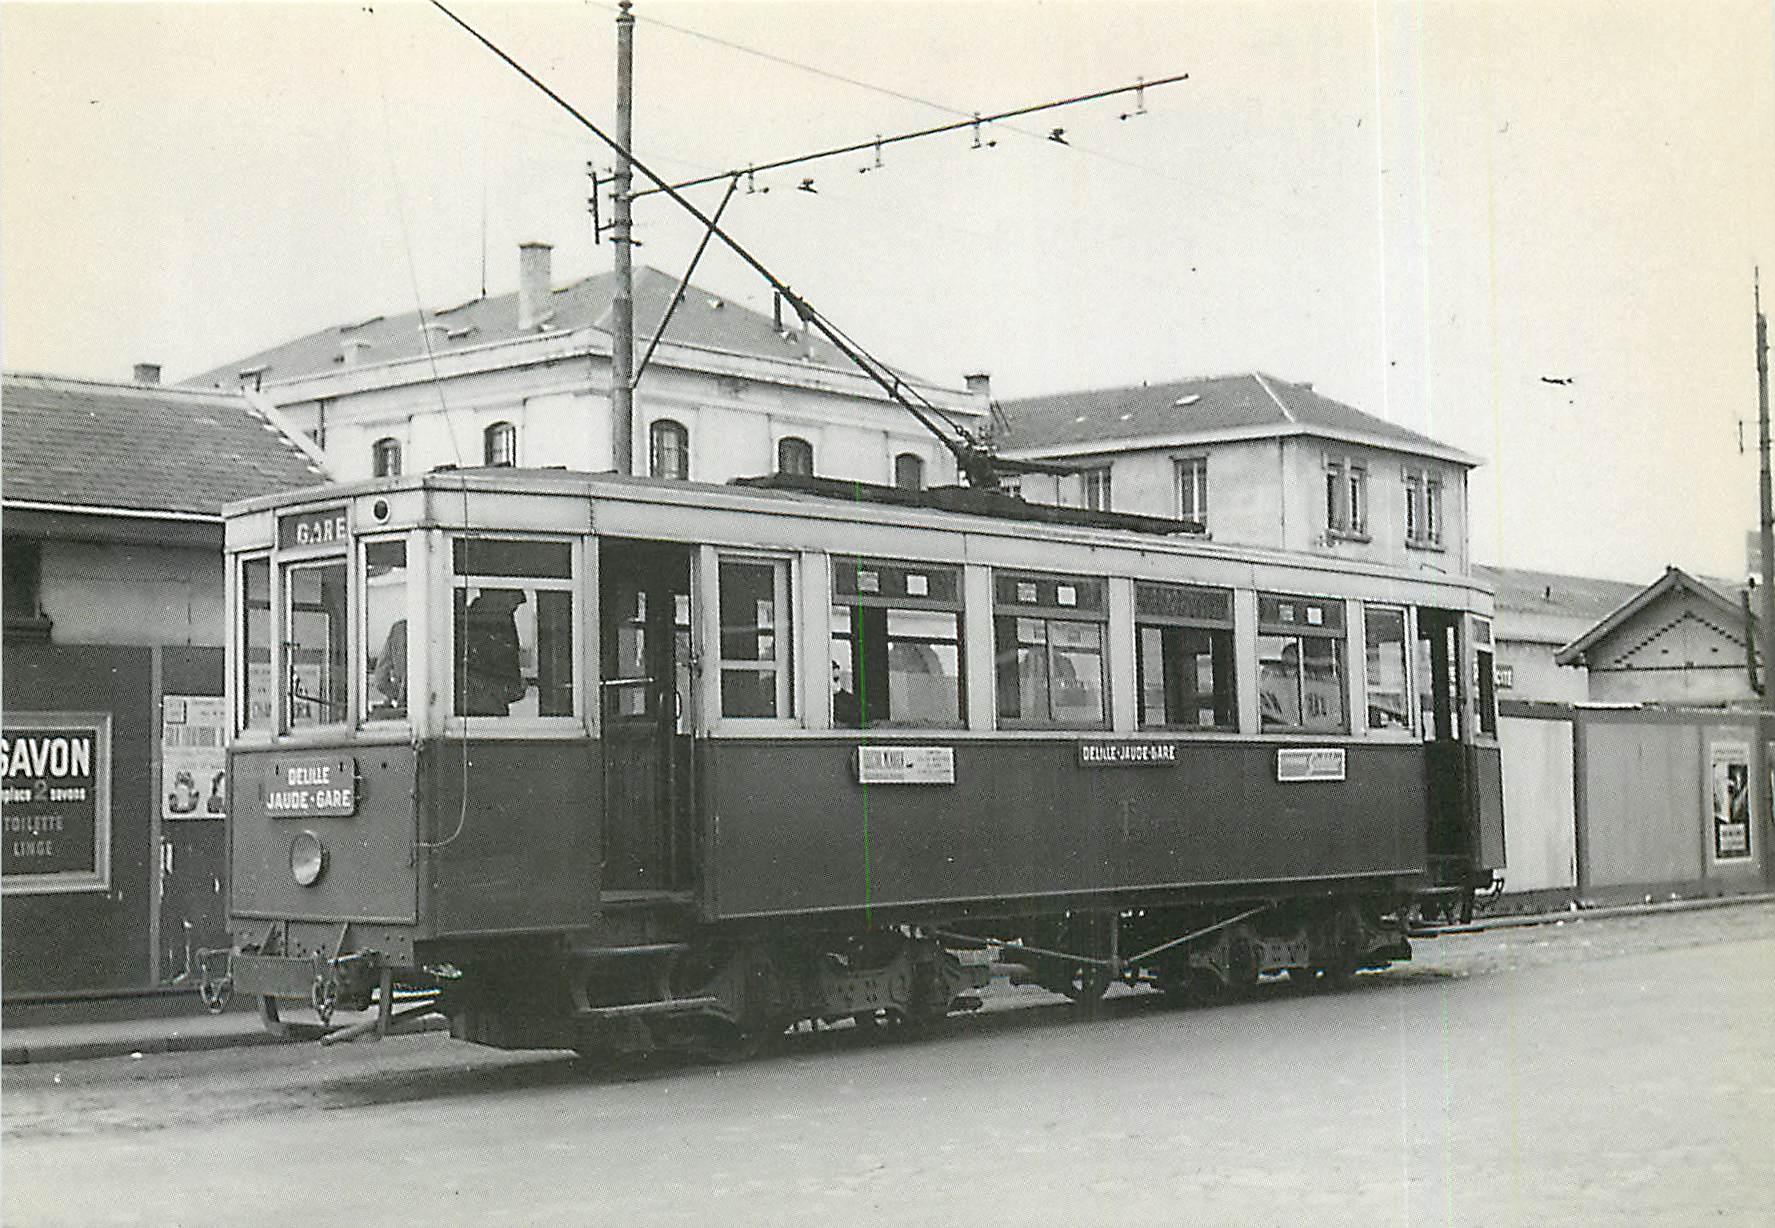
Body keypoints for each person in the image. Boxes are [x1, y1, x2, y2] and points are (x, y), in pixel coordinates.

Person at [459, 590, 527, 716]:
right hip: (481, 711)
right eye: (512, 600)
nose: (513, 607)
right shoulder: (474, 626)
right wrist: (512, 688)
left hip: (490, 710)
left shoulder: (498, 625)